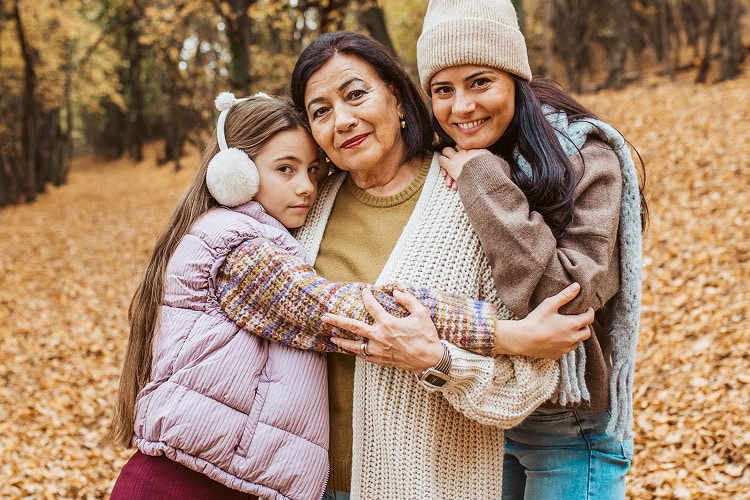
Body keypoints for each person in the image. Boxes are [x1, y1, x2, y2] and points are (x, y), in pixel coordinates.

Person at [105, 93, 586, 499]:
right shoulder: (237, 247)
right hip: (185, 485)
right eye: (285, 169)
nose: (306, 186)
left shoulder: (262, 233)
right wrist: (510, 334)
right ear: (235, 176)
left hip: (227, 476)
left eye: (313, 170)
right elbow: (341, 310)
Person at [289, 31, 596, 499]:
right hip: (302, 484)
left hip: (425, 485)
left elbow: (528, 380)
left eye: (355, 94)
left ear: (396, 96)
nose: (343, 120)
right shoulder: (302, 211)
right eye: (321, 111)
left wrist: (439, 361)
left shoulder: (469, 197)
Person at [416, 0, 648, 497]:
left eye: (480, 82)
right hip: (485, 410)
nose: (461, 107)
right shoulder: (442, 162)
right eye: (443, 90)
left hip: (571, 420)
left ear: (514, 79)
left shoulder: (588, 156)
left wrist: (483, 179)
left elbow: (568, 299)